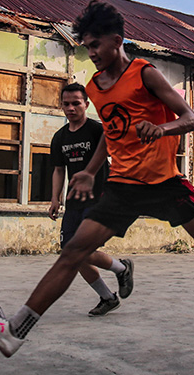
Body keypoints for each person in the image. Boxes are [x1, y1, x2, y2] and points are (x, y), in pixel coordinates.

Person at [0, 0, 194, 357]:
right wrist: (89, 172)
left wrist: (161, 129)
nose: (91, 53)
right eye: (87, 47)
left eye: (95, 45)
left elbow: (192, 119)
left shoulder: (145, 73)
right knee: (73, 251)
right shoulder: (94, 86)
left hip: (164, 183)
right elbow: (111, 135)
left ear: (117, 40)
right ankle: (15, 330)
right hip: (122, 187)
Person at [49, 82, 134, 317]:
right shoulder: (59, 137)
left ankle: (121, 268)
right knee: (70, 252)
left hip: (99, 200)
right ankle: (108, 295)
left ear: (86, 104)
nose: (71, 108)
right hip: (73, 202)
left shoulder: (98, 131)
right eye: (66, 104)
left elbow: (120, 154)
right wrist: (55, 198)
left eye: (76, 103)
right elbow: (58, 169)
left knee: (82, 249)